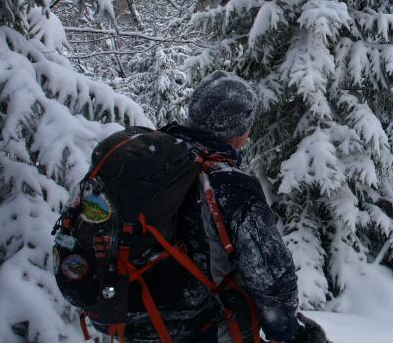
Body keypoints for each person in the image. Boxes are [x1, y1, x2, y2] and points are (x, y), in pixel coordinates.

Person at [123, 70, 300, 343]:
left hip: (131, 325)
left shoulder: (149, 164)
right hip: (202, 330)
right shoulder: (231, 187)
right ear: (236, 131)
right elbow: (271, 277)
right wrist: (285, 332)